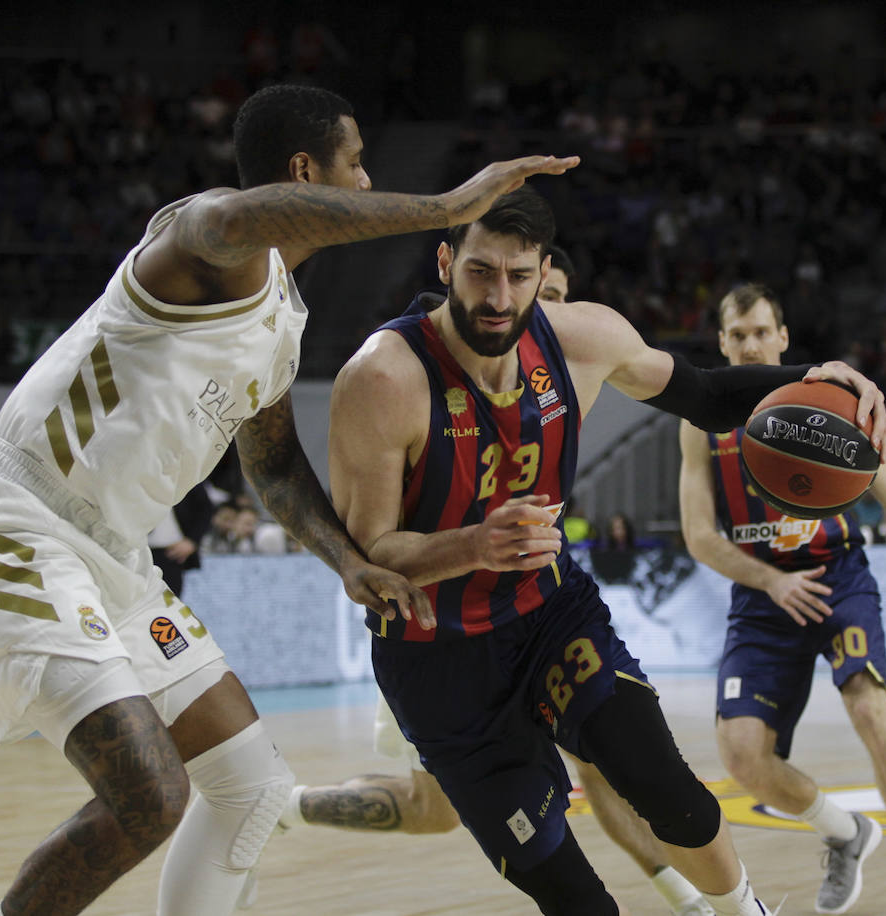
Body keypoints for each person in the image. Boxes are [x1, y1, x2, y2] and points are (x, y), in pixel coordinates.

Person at [0, 83, 576, 916]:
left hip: (114, 558)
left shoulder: (280, 321)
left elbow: (273, 469)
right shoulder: (201, 238)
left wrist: (346, 561)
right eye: (357, 163)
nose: (368, 182)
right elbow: (237, 218)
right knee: (149, 798)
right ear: (304, 173)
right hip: (14, 523)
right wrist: (450, 203)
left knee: (250, 787)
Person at [328, 189, 886, 914]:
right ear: (446, 262)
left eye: (519, 276)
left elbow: (710, 394)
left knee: (669, 791)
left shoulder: (581, 338)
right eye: (480, 272)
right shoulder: (382, 378)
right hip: (437, 659)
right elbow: (367, 559)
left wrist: (816, 378)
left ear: (542, 274)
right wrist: (473, 545)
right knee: (574, 899)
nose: (500, 297)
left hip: (547, 614)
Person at [283, 240, 717, 916]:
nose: (537, 318)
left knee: (613, 759)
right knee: (435, 813)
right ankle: (285, 807)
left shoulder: (561, 372)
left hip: (532, 609)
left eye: (553, 301)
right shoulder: (425, 368)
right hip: (435, 629)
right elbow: (373, 536)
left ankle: (693, 896)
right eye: (534, 300)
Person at [678, 283, 886, 916]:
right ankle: (846, 833)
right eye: (738, 336)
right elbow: (699, 536)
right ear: (722, 344)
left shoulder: (830, 405)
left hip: (837, 576)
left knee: (871, 709)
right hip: (765, 595)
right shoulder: (702, 423)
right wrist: (769, 581)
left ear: (783, 338)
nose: (751, 344)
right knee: (741, 757)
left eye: (762, 332)